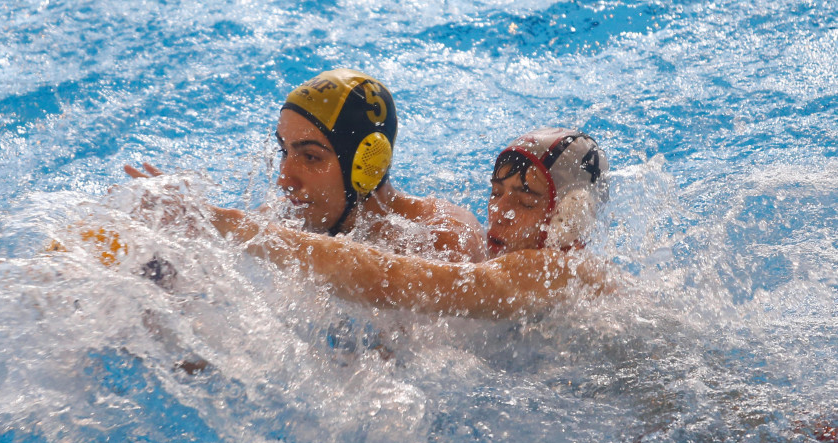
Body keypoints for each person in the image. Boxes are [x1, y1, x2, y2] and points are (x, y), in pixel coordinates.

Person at [129, 127, 612, 320]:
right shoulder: (507, 261)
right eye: (496, 192)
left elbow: (394, 280)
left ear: (568, 219)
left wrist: (225, 223)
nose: (499, 211)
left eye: (525, 200)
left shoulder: (560, 272)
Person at [126, 68, 486, 263]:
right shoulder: (289, 218)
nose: (285, 179)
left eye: (311, 156)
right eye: (285, 151)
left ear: (365, 163)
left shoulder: (441, 237)